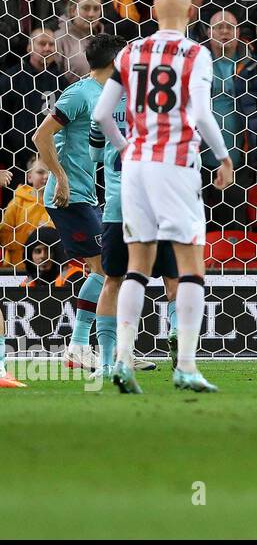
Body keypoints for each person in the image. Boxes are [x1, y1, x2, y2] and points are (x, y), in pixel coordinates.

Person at [90, 0, 236, 394]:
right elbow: (204, 115)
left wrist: (127, 149)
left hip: (135, 167)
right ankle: (186, 366)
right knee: (191, 265)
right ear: (192, 15)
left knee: (137, 264)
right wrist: (223, 158)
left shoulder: (129, 52)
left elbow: (103, 114)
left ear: (153, 12)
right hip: (175, 164)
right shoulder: (195, 54)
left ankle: (121, 360)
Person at [31, 34, 122, 373]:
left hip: (88, 194)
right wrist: (62, 178)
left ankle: (96, 348)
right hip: (68, 196)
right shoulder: (80, 93)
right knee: (108, 270)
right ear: (116, 60)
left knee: (110, 270)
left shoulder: (111, 95)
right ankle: (82, 346)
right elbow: (41, 136)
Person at [90, 57, 180, 371]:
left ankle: (108, 360)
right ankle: (179, 331)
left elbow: (93, 154)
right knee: (173, 278)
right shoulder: (163, 107)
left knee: (112, 281)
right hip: (158, 205)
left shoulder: (107, 105)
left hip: (118, 206)